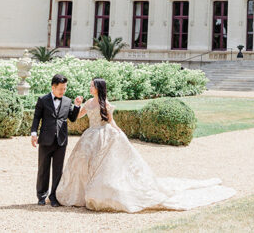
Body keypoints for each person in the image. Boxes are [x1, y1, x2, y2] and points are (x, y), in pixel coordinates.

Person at [56, 78, 235, 212]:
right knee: (83, 163)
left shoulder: (106, 104)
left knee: (103, 166)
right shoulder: (88, 102)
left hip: (103, 135)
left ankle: (97, 194)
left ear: (98, 88)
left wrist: (119, 132)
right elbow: (78, 117)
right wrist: (77, 105)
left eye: (92, 85)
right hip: (90, 136)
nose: (90, 87)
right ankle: (80, 194)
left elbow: (112, 122)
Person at [30, 73, 82, 206]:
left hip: (61, 140)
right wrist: (34, 133)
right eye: (60, 89)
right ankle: (41, 196)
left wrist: (76, 106)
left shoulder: (67, 101)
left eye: (64, 89)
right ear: (53, 87)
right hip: (46, 139)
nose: (63, 91)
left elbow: (72, 118)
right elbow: (37, 118)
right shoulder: (42, 99)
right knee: (43, 168)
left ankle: (54, 197)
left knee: (58, 170)